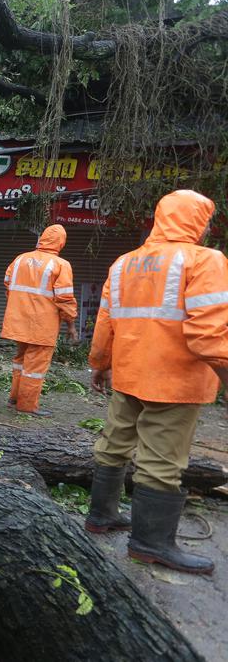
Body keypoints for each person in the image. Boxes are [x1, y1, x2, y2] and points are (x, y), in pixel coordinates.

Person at [85, 189, 228, 575]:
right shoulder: (206, 260)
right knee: (161, 462)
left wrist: (100, 364)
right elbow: (209, 336)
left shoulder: (124, 263)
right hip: (175, 381)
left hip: (129, 374)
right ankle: (150, 544)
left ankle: (100, 517)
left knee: (113, 445)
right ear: (197, 220)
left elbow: (105, 323)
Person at [1, 224, 79, 417]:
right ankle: (27, 406)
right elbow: (65, 299)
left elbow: (8, 286)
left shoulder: (20, 259)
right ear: (61, 242)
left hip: (18, 322)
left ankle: (14, 398)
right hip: (42, 326)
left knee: (20, 360)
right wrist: (71, 325)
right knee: (34, 367)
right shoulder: (61, 265)